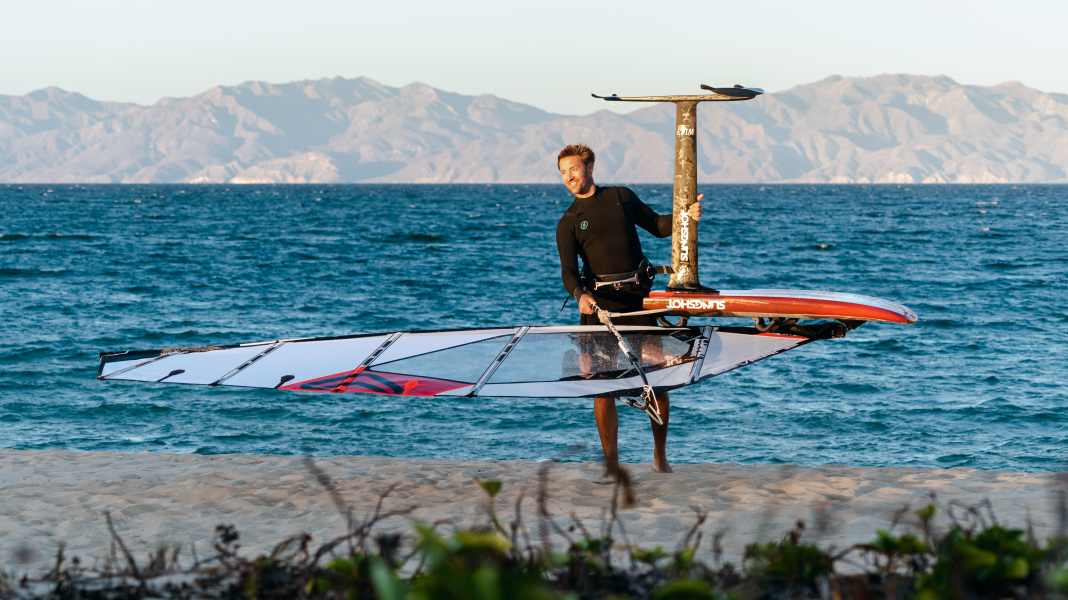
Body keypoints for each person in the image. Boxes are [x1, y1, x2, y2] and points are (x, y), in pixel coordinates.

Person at [554, 144, 702, 478]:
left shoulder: (620, 197)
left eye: (573, 169)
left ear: (590, 167)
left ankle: (660, 456)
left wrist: (685, 217)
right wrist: (578, 294)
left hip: (637, 304)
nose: (568, 177)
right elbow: (567, 271)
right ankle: (611, 464)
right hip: (600, 309)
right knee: (603, 387)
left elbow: (658, 225)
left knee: (656, 381)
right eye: (563, 172)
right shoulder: (569, 221)